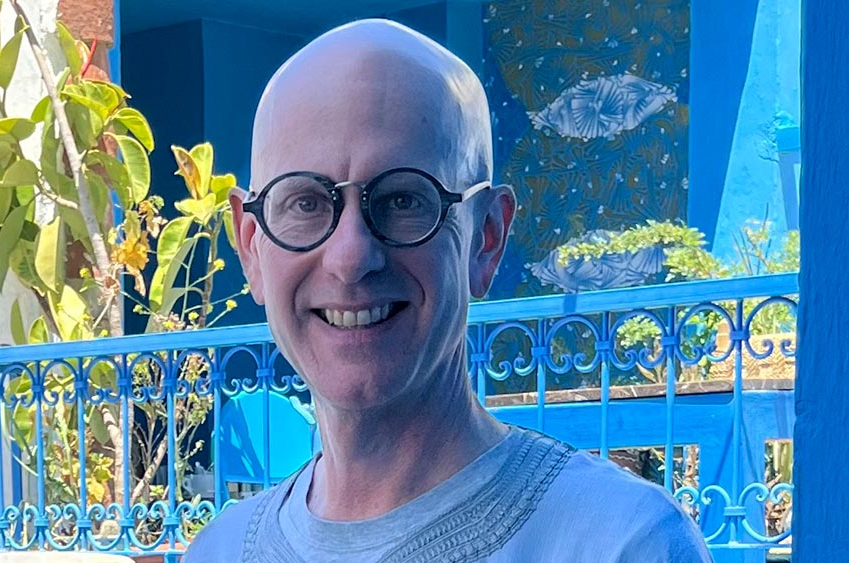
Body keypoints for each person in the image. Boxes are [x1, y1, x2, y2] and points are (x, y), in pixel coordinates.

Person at [185, 19, 712, 563]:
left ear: (486, 239)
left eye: (404, 200)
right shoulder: (218, 552)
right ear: (251, 246)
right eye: (305, 204)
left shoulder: (618, 543)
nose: (350, 258)